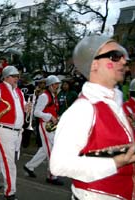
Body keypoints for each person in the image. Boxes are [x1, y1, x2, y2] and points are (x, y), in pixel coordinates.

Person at [50, 35, 134, 200]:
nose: (124, 62)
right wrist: (117, 162)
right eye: (115, 56)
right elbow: (59, 165)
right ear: (94, 64)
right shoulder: (83, 109)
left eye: (124, 57)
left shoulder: (115, 105)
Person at [0, 65, 28, 200]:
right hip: (3, 130)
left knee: (5, 157)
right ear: (6, 77)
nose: (17, 79)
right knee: (9, 162)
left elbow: (21, 108)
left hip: (16, 131)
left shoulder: (19, 91)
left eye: (17, 76)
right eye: (14, 76)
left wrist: (27, 108)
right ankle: (10, 192)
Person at [24, 75, 63, 185]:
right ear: (50, 85)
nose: (57, 86)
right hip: (45, 125)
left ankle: (29, 166)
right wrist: (50, 116)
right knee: (51, 150)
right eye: (55, 84)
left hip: (50, 125)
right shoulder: (45, 96)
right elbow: (36, 112)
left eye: (57, 84)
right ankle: (52, 175)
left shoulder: (53, 95)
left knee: (45, 149)